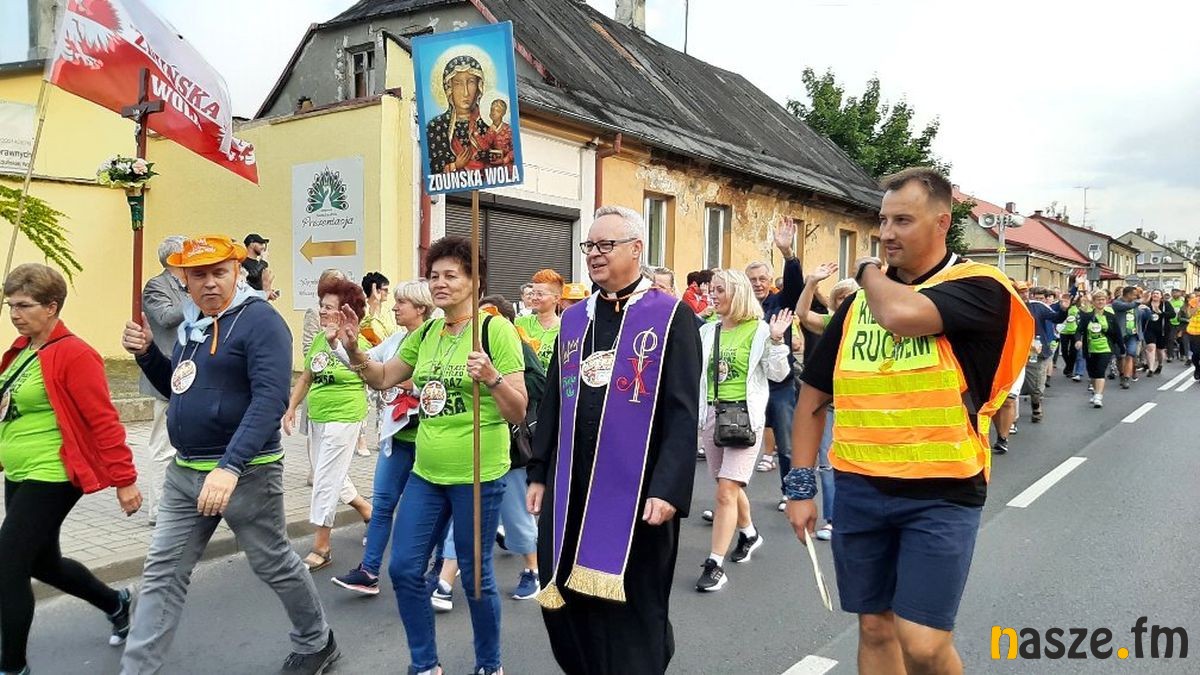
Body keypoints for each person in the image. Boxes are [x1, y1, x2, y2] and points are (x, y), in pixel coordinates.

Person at [786, 168, 1032, 675]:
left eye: (902, 221)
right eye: (882, 221)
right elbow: (813, 396)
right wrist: (801, 485)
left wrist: (866, 269)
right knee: (875, 629)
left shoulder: (980, 287)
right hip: (860, 487)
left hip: (941, 492)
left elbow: (900, 314)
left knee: (922, 644)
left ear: (942, 223)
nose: (886, 233)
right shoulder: (856, 308)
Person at [121, 235, 337, 675]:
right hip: (186, 474)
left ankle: (317, 641)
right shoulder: (193, 323)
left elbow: (270, 400)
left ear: (237, 272)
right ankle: (137, 669)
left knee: (273, 563)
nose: (210, 283)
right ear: (184, 280)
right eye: (198, 275)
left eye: (219, 272)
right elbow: (178, 387)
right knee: (162, 573)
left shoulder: (261, 321)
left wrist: (230, 466)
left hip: (247, 474)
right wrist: (146, 354)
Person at [329, 236, 527, 675]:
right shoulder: (427, 333)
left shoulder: (495, 331)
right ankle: (425, 664)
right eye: (434, 275)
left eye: (451, 275)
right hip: (427, 472)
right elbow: (383, 377)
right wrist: (353, 348)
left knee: (475, 579)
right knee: (403, 569)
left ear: (475, 282)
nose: (439, 283)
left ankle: (489, 664)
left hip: (478, 474)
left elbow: (518, 409)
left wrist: (492, 377)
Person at [527, 206, 701, 675]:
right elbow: (554, 402)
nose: (594, 254)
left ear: (637, 249)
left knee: (632, 603)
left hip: (638, 489)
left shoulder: (670, 316)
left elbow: (683, 410)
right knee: (564, 594)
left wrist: (668, 487)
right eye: (590, 245)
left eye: (606, 245)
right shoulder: (574, 319)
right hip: (572, 485)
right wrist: (539, 471)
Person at [0, 264, 142, 675]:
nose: (15, 314)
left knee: (8, 564)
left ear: (52, 306)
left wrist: (125, 480)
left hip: (54, 472)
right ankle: (115, 603)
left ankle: (13, 666)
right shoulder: (22, 350)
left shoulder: (76, 354)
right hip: (19, 471)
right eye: (10, 306)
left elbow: (103, 421)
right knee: (42, 563)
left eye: (24, 305)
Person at [431, 294, 546, 609]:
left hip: (510, 449)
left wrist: (497, 380)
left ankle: (533, 570)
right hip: (472, 448)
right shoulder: (457, 345)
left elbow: (538, 384)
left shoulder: (515, 344)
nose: (478, 324)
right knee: (464, 518)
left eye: (486, 317)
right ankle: (445, 581)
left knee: (518, 518)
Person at [332, 281, 435, 596]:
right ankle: (368, 571)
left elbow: (440, 383)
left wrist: (408, 384)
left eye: (402, 302)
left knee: (429, 511)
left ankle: (439, 571)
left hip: (430, 440)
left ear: (421, 308)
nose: (394, 307)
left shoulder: (436, 338)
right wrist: (343, 344)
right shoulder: (396, 339)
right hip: (396, 437)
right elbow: (366, 366)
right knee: (383, 505)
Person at [694, 270, 791, 591]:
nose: (713, 295)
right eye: (712, 289)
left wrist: (777, 341)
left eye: (720, 290)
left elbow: (778, 374)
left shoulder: (760, 329)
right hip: (712, 415)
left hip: (745, 417)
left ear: (737, 293)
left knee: (725, 491)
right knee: (729, 486)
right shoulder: (708, 330)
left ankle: (715, 565)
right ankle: (749, 533)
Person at [283, 277, 374, 571]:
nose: (322, 311)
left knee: (324, 479)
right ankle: (368, 510)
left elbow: (370, 373)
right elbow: (306, 377)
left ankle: (321, 546)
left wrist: (345, 344)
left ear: (346, 312)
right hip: (318, 416)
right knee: (332, 474)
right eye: (321, 306)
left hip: (345, 416)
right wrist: (291, 407)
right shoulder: (320, 340)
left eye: (329, 307)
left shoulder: (358, 342)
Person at [745, 218, 804, 511]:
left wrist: (787, 253)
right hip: (749, 383)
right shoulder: (741, 306)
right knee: (737, 441)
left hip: (780, 384)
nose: (757, 284)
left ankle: (789, 493)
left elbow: (795, 287)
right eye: (752, 280)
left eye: (761, 279)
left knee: (786, 443)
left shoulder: (781, 303)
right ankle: (731, 499)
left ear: (769, 281)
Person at [795, 262, 856, 540]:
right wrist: (811, 282)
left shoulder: (877, 321)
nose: (844, 301)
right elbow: (803, 314)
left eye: (849, 296)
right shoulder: (832, 323)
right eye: (840, 297)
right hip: (830, 402)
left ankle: (853, 516)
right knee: (827, 462)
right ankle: (832, 519)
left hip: (858, 404)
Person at [140, 236, 188, 525]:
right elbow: (166, 317)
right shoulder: (156, 286)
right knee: (163, 444)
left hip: (192, 373)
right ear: (174, 259)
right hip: (165, 374)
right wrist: (198, 297)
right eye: (187, 254)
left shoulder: (189, 286)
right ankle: (158, 510)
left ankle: (181, 503)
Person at [426, 56, 492, 175]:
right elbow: (432, 172)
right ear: (449, 88)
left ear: (479, 87)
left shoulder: (487, 127)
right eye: (458, 83)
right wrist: (455, 165)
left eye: (471, 82)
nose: (466, 92)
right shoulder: (436, 127)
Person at [1024, 287, 1070, 422]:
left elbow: (1056, 318)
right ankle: (1011, 420)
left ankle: (1036, 404)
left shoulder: (1038, 307)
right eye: (1019, 291)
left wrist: (1063, 309)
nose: (1022, 295)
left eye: (1024, 292)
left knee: (1035, 382)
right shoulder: (1008, 305)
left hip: (1036, 350)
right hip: (1014, 350)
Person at [1075, 290, 1122, 408]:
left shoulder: (1110, 316)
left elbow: (1117, 333)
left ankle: (1098, 396)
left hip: (1105, 348)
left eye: (1103, 300)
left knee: (1100, 371)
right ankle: (1095, 392)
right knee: (1092, 372)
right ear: (1093, 302)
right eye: (1098, 300)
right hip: (1090, 348)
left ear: (1106, 301)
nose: (1101, 302)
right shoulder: (1087, 316)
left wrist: (1121, 348)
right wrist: (1078, 340)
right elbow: (1079, 330)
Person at [515, 269, 563, 369]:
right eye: (533, 293)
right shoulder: (520, 323)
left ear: (556, 298)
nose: (534, 298)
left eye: (540, 294)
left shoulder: (565, 328)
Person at [1109, 286, 1143, 389]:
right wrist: (1140, 301)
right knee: (1120, 356)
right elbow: (1127, 307)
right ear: (1128, 294)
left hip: (1132, 334)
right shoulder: (1117, 303)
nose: (1136, 296)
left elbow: (1139, 318)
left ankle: (1126, 378)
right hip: (1120, 334)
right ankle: (1122, 374)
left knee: (1130, 354)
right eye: (1134, 294)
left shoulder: (1135, 304)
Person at [360, 271, 399, 346]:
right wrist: (375, 301)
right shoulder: (362, 310)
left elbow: (396, 332)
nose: (388, 293)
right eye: (385, 290)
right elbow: (363, 329)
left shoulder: (388, 311)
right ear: (376, 290)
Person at [1141, 289, 1174, 377]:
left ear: (1161, 296)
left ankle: (1160, 364)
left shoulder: (1165, 304)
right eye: (1153, 293)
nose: (1155, 295)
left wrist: (1161, 313)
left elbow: (1172, 314)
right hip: (1149, 329)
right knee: (1150, 347)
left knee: (1160, 350)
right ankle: (1151, 369)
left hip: (1162, 330)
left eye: (1157, 293)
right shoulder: (1147, 305)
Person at [1059, 291, 1085, 382]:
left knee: (1073, 352)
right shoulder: (1063, 307)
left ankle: (1069, 369)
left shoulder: (1078, 307)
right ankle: (1068, 366)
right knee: (1064, 351)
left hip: (1075, 332)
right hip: (1064, 331)